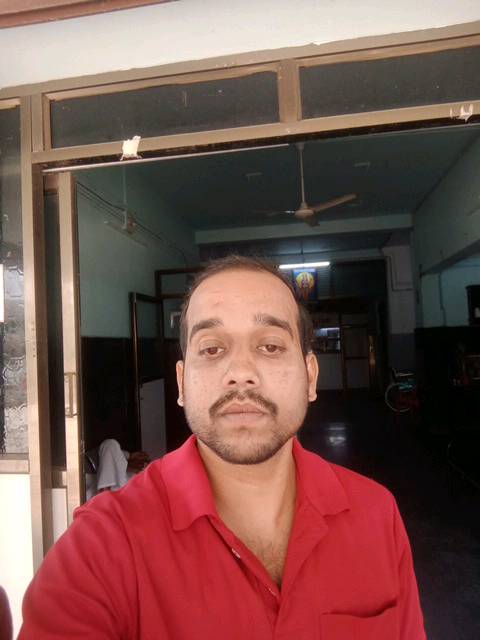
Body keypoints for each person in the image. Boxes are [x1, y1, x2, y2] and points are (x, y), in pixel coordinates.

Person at [20, 255, 426, 639]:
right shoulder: (101, 546)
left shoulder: (376, 514)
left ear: (310, 376)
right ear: (182, 383)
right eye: (212, 349)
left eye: (270, 346)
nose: (241, 373)